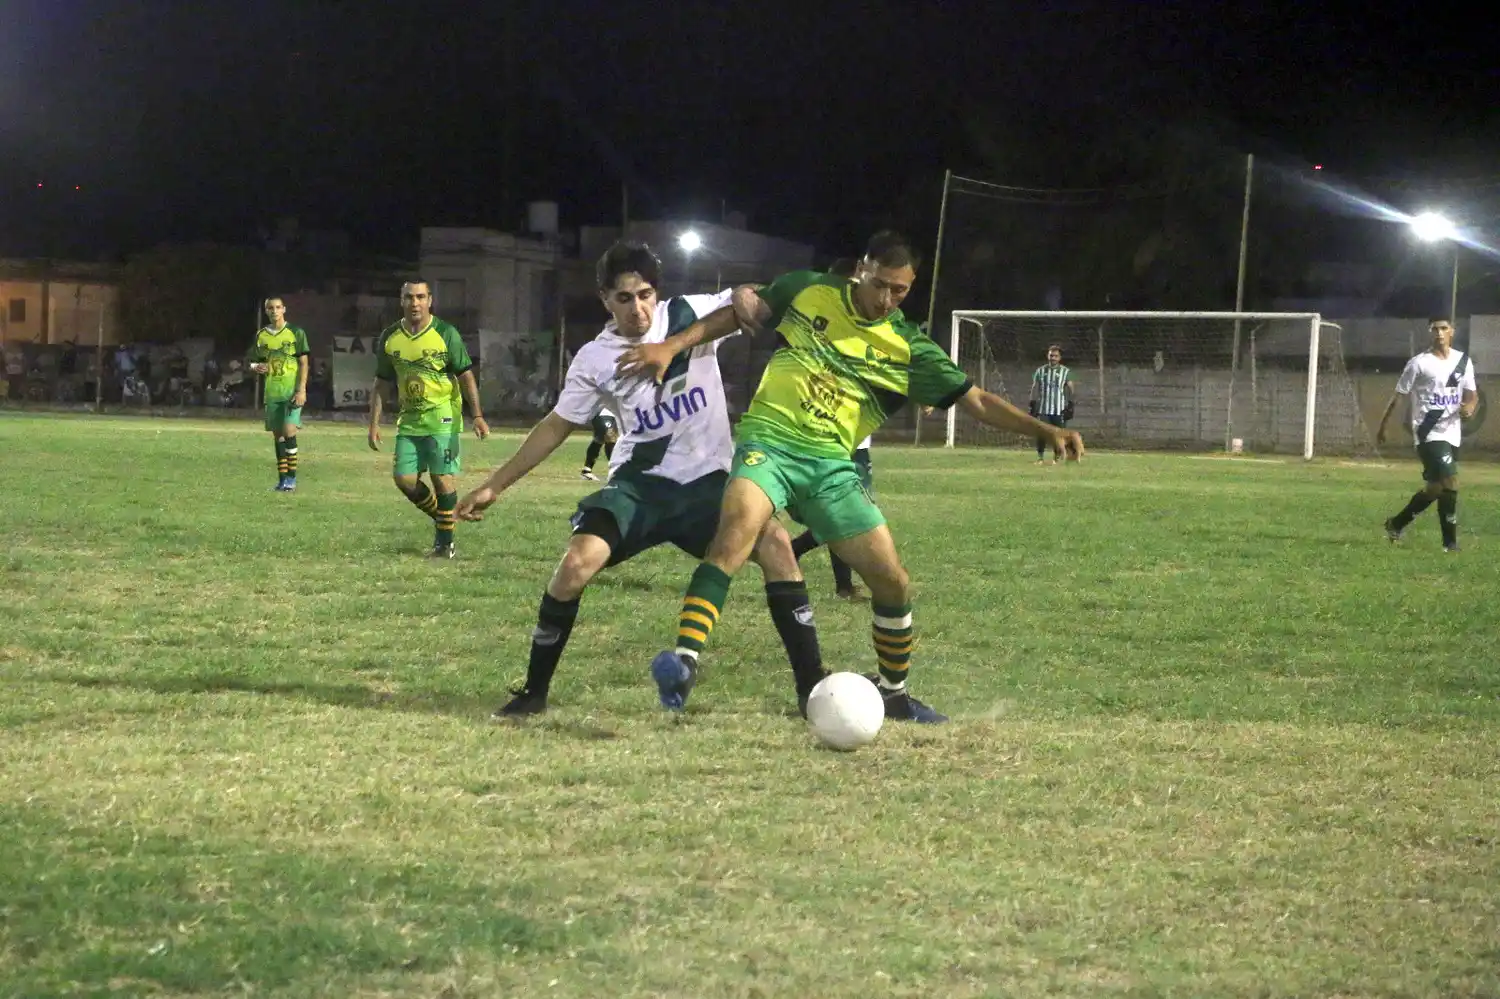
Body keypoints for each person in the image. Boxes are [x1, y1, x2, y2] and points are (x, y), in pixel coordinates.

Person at [619, 230, 1084, 723]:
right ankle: (684, 662)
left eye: (899, 291)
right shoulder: (809, 289)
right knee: (735, 533)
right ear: (862, 268)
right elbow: (738, 311)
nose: (886, 299)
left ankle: (894, 694)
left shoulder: (909, 348)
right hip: (768, 443)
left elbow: (977, 401)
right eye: (880, 284)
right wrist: (672, 345)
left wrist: (1042, 428)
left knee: (893, 582)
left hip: (832, 467)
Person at [456, 241, 826, 717]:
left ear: (659, 292)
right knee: (574, 566)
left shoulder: (688, 313)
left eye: (646, 294)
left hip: (709, 484)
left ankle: (812, 688)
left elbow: (745, 300)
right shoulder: (595, 358)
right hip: (641, 487)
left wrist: (690, 333)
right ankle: (534, 694)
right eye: (625, 298)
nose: (639, 308)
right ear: (605, 300)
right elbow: (556, 425)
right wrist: (495, 484)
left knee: (777, 547)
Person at [367, 280, 490, 559]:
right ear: (401, 300)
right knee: (404, 479)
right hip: (409, 419)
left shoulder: (446, 333)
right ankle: (444, 517)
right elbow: (382, 383)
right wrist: (374, 424)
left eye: (420, 297)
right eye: (409, 297)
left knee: (441, 478)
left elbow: (466, 376)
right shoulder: (389, 337)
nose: (415, 303)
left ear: (430, 301)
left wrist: (478, 415)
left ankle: (444, 544)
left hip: (442, 415)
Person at [1376, 318, 1477, 552]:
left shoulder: (1463, 361)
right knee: (1451, 481)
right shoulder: (1418, 363)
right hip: (1428, 433)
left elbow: (1471, 394)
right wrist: (1382, 426)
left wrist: (1470, 407)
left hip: (1453, 433)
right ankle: (1450, 544)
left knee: (1435, 489)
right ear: (1429, 332)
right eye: (1435, 329)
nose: (1439, 333)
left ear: (1453, 331)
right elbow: (1398, 395)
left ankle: (1395, 524)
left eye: (1444, 328)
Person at [249, 297, 310, 490]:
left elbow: (304, 363)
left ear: (284, 309)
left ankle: (292, 479)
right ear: (266, 311)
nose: (274, 311)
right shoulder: (261, 335)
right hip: (272, 393)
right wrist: (256, 367)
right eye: (270, 308)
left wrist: (301, 389)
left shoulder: (296, 333)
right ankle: (282, 479)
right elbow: (253, 361)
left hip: (291, 392)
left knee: (289, 431)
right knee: (278, 436)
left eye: (277, 307)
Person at [1028, 344, 1074, 464]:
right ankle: (1040, 458)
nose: (1053, 358)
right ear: (1047, 356)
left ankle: (1056, 458)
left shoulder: (1065, 371)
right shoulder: (1040, 370)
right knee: (1042, 434)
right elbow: (1034, 387)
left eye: (1055, 356)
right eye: (1051, 355)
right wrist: (1032, 403)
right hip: (1043, 409)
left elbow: (1070, 387)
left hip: (1059, 409)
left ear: (1060, 358)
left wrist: (1070, 404)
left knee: (1058, 435)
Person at [580, 406, 619, 481]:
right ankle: (615, 471)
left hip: (613, 414)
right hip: (604, 412)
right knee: (609, 437)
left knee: (600, 439)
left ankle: (586, 471)